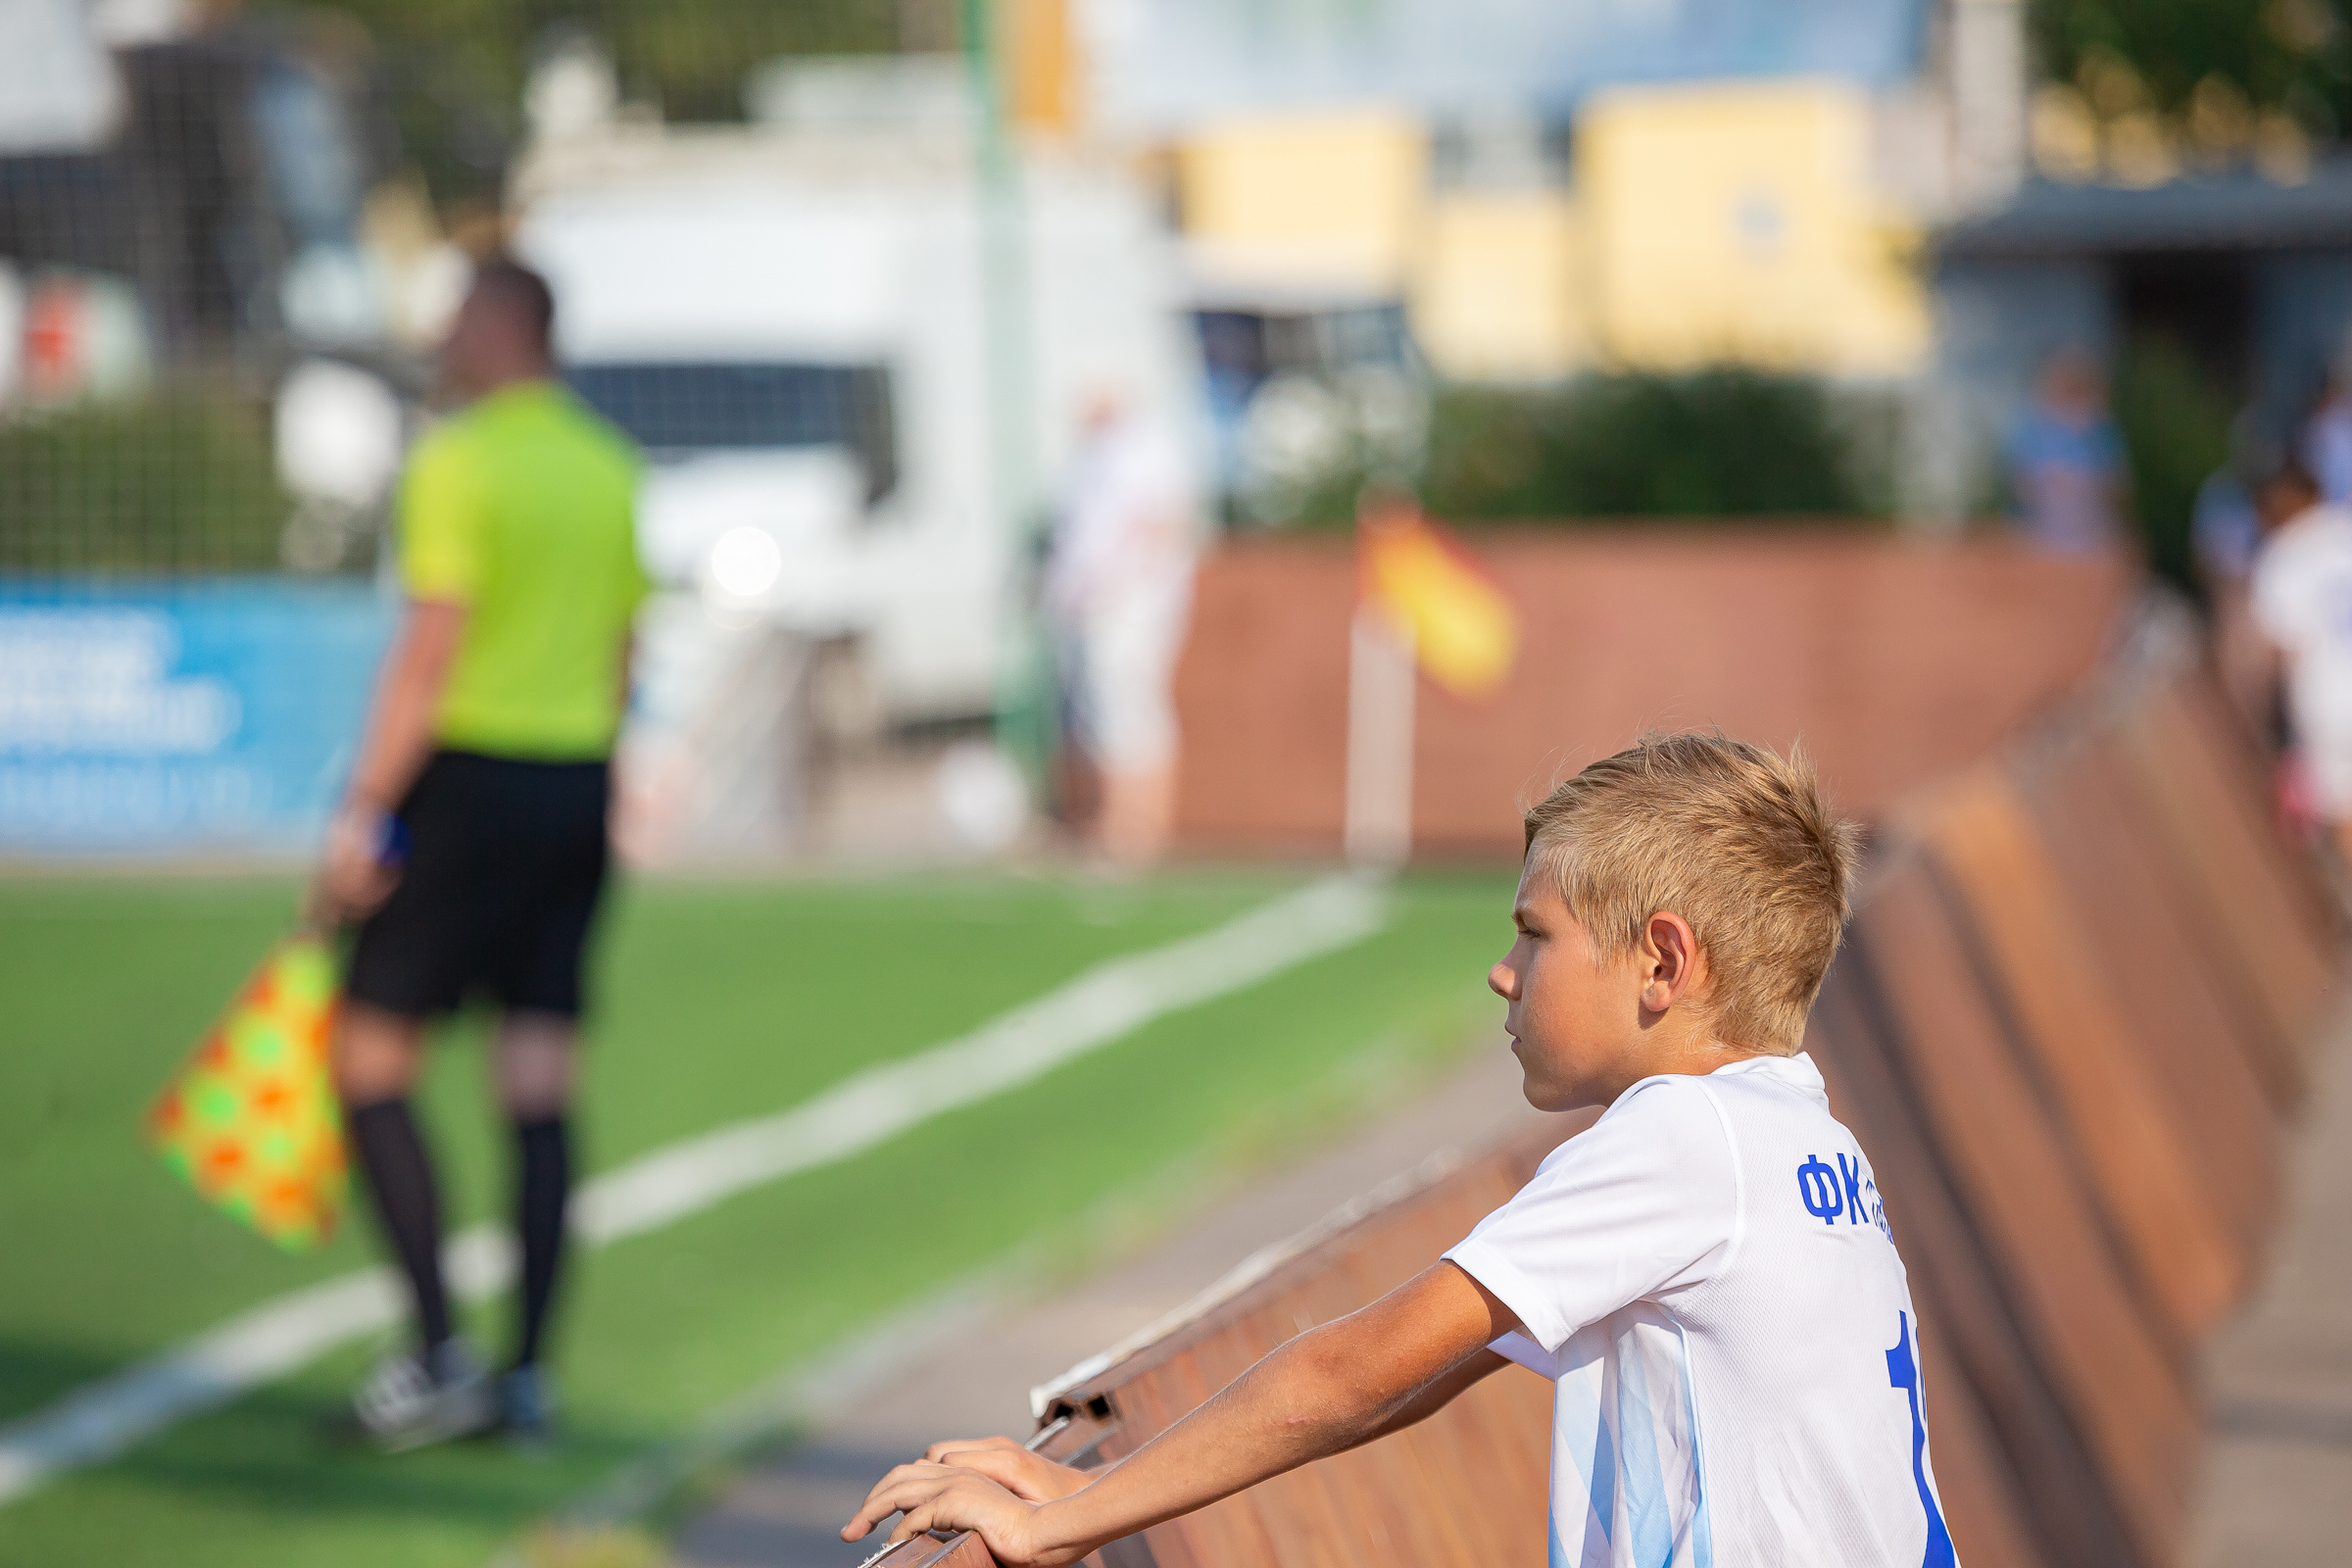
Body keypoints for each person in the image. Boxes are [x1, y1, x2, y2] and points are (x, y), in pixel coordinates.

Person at [844, 736, 1959, 1567]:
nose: (1503, 970)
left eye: (1536, 933)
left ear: (1663, 964)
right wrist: (1090, 1487)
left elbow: (1352, 1369)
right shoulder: (1799, 1140)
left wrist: (1053, 1524)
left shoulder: (1684, 1138)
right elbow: (1409, 1383)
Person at [313, 258, 647, 1450]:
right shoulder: (607, 465)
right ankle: (530, 1381)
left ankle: (438, 1351)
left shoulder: (459, 461)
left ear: (507, 324)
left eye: (458, 315)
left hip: (468, 785)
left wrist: (363, 815)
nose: (443, 336)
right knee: (539, 1082)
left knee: (369, 1056)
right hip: (574, 786)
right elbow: (623, 647)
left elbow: (429, 650)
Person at [1044, 387, 1200, 867]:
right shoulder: (1096, 457)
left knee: (1132, 715)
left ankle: (1137, 829)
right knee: (1101, 718)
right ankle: (1109, 820)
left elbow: (1162, 524)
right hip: (1096, 609)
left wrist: (1124, 586)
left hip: (1129, 608)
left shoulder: (1144, 451)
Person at [2250, 458, 2352, 859]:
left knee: (2346, 805)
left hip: (2328, 699)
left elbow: (2282, 649)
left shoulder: (2279, 561)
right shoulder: (2344, 527)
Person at [2003, 349, 2131, 553]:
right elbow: (2020, 488)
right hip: (2041, 540)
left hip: (2093, 539)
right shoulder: (2031, 430)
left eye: (2078, 386)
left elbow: (2119, 488)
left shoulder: (2101, 431)